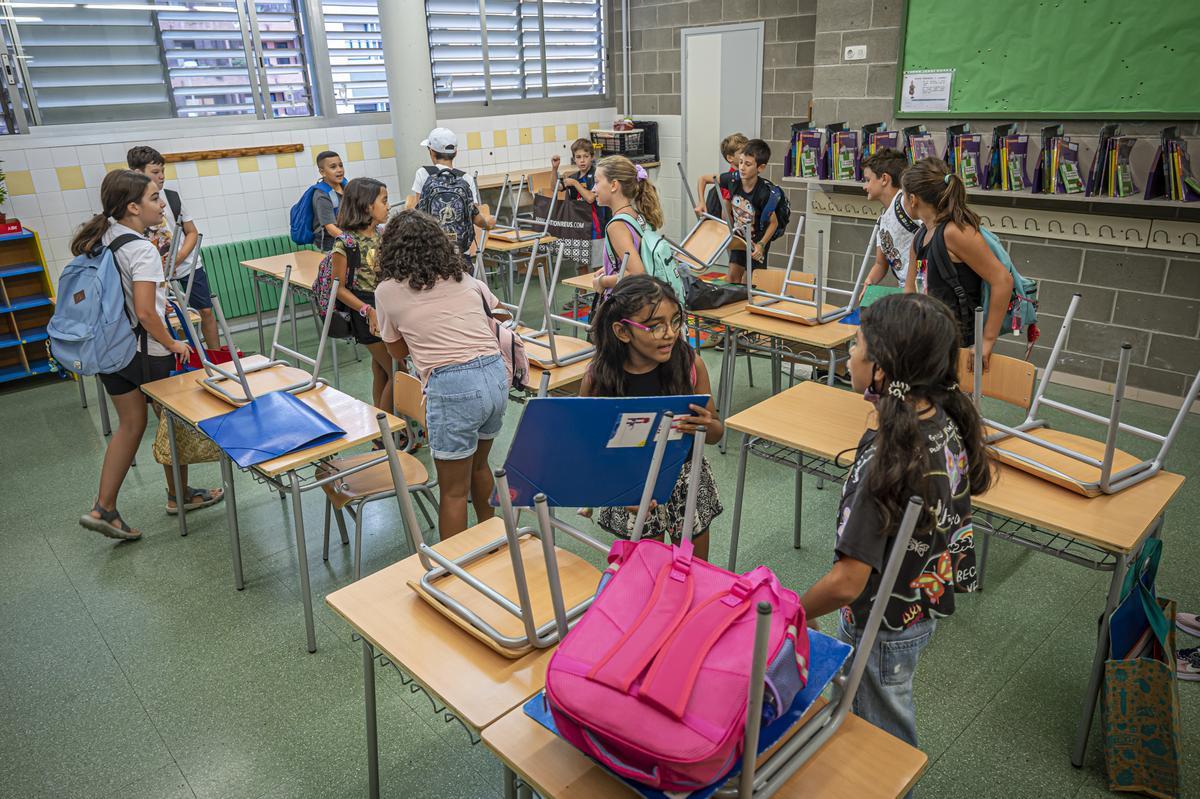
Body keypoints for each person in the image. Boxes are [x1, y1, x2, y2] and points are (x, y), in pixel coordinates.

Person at [798, 292, 992, 763]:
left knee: (884, 742)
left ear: (881, 370)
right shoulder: (941, 416)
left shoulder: (889, 463)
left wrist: (795, 609)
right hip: (914, 605)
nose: (849, 352)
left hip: (881, 623)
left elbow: (847, 583)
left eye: (857, 344)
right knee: (868, 711)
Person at [75, 170, 224, 540]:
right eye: (155, 198)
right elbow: (145, 311)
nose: (162, 205)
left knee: (130, 425)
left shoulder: (103, 237)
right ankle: (180, 495)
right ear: (132, 207)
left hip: (110, 350)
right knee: (172, 424)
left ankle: (103, 507)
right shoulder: (140, 249)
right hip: (146, 352)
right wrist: (173, 343)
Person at [374, 210, 507, 540]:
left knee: (452, 491)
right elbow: (501, 315)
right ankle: (493, 544)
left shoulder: (387, 291)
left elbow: (397, 354)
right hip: (494, 374)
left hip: (453, 385)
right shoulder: (464, 278)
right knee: (479, 466)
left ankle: (455, 573)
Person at [580, 275, 723, 562]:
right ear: (622, 332)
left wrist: (708, 426)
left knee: (692, 568)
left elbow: (716, 433)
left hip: (685, 477)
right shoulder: (599, 379)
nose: (669, 333)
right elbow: (588, 449)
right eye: (655, 326)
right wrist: (617, 488)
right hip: (629, 484)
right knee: (648, 574)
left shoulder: (690, 364)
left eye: (675, 321)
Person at [902, 157, 1014, 367]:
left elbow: (1003, 281)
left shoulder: (955, 233)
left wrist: (986, 341)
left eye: (903, 195)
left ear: (913, 199)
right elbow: (910, 289)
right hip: (930, 338)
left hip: (958, 344)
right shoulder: (921, 235)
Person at [126, 145, 218, 349]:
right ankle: (186, 358)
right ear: (136, 173)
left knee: (206, 311)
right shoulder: (130, 206)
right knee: (168, 319)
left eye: (163, 172)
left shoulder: (172, 198)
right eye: (155, 172)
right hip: (156, 273)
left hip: (187, 267)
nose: (161, 177)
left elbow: (192, 232)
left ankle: (216, 358)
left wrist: (179, 257)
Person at [328, 177, 395, 418]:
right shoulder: (345, 243)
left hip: (385, 307)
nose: (388, 206)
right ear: (367, 206)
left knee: (381, 370)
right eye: (384, 201)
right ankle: (384, 434)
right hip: (366, 313)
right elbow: (339, 288)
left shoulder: (382, 234)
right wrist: (368, 311)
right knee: (399, 372)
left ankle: (390, 427)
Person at [590, 155, 665, 295]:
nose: (593, 189)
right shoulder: (636, 215)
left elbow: (637, 274)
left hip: (627, 304)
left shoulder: (617, 225)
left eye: (597, 182)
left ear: (613, 185)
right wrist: (610, 269)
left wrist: (603, 282)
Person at [724, 138, 779, 285]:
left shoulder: (764, 193)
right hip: (740, 237)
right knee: (732, 278)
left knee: (750, 283)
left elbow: (773, 223)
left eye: (747, 164)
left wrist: (761, 244)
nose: (742, 167)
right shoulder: (734, 181)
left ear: (760, 168)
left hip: (757, 241)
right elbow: (705, 179)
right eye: (740, 162)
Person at [551, 137, 610, 273]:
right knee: (581, 265)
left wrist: (575, 184)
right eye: (578, 157)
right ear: (574, 159)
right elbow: (555, 187)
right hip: (579, 227)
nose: (582, 160)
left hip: (595, 228)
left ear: (592, 157)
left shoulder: (597, 175)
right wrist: (554, 169)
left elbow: (590, 198)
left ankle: (599, 293)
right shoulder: (574, 176)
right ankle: (582, 293)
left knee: (597, 265)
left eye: (585, 156)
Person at [862, 147, 918, 288]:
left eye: (868, 180)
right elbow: (881, 264)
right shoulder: (883, 220)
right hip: (905, 288)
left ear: (884, 179)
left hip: (922, 288)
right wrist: (869, 281)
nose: (864, 186)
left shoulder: (905, 202)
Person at [411, 127, 481, 204]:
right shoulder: (467, 178)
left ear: (432, 152)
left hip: (428, 217)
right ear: (455, 153)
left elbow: (418, 208)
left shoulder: (422, 173)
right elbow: (474, 209)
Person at [693, 132, 748, 218]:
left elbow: (702, 179)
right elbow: (725, 215)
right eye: (743, 153)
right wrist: (701, 202)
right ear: (730, 158)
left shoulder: (743, 176)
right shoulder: (730, 180)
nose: (747, 155)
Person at [312, 150, 347, 252]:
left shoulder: (347, 187)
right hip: (331, 248)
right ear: (322, 172)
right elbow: (331, 228)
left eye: (341, 165)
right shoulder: (322, 196)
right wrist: (351, 241)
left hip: (347, 243)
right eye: (333, 167)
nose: (339, 170)